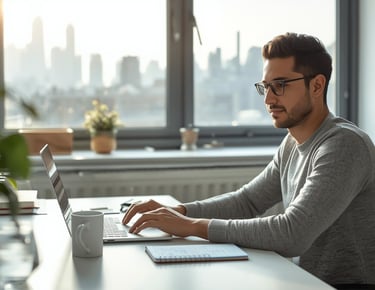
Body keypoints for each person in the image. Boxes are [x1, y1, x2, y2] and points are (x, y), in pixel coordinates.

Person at [122, 32, 375, 288]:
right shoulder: (292, 143)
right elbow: (248, 201)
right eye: (265, 86)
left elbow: (292, 234)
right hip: (304, 282)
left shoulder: (344, 145)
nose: (268, 99)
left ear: (317, 85)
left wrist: (192, 226)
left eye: (280, 85)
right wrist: (180, 212)